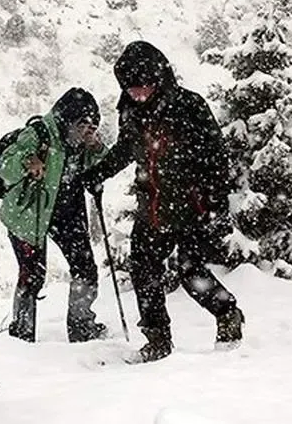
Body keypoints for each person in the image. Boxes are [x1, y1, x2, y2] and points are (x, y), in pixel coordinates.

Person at [76, 41, 244, 363]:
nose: (139, 95)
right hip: (153, 206)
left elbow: (217, 157)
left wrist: (214, 201)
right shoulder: (129, 110)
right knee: (143, 268)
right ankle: (157, 339)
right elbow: (127, 150)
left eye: (144, 88)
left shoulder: (189, 106)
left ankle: (227, 314)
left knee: (189, 269)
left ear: (159, 80)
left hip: (193, 206)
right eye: (132, 89)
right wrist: (99, 174)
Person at [0, 87, 109, 343]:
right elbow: (6, 169)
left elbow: (98, 167)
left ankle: (82, 329)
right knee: (32, 274)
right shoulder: (38, 134)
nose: (87, 130)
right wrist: (27, 161)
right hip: (28, 213)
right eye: (83, 124)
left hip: (68, 213)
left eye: (92, 125)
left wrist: (97, 149)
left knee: (85, 269)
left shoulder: (82, 144)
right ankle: (22, 336)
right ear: (67, 120)